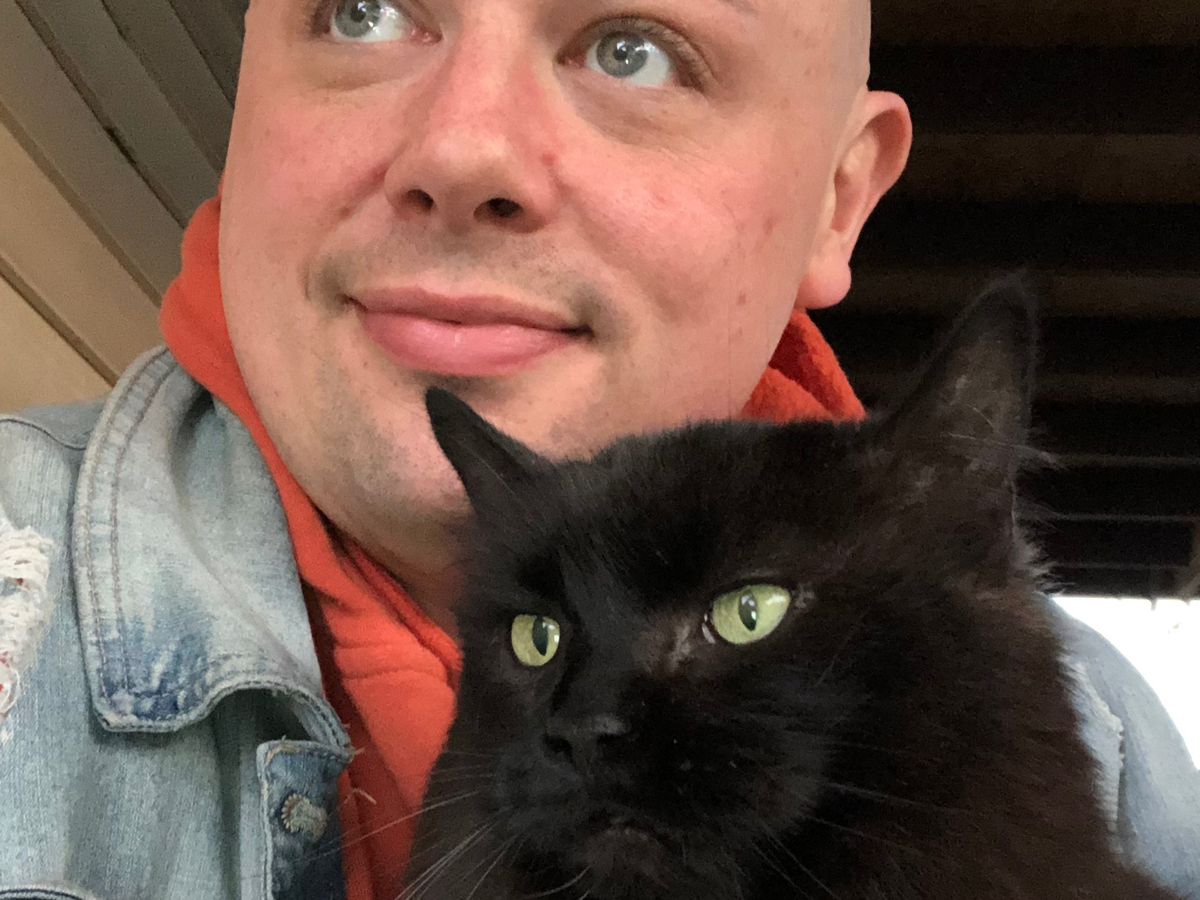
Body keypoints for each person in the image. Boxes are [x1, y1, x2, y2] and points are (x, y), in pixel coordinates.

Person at [0, 0, 1196, 897]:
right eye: (362, 11)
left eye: (634, 48)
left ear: (840, 196)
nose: (459, 154)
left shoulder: (1115, 740)